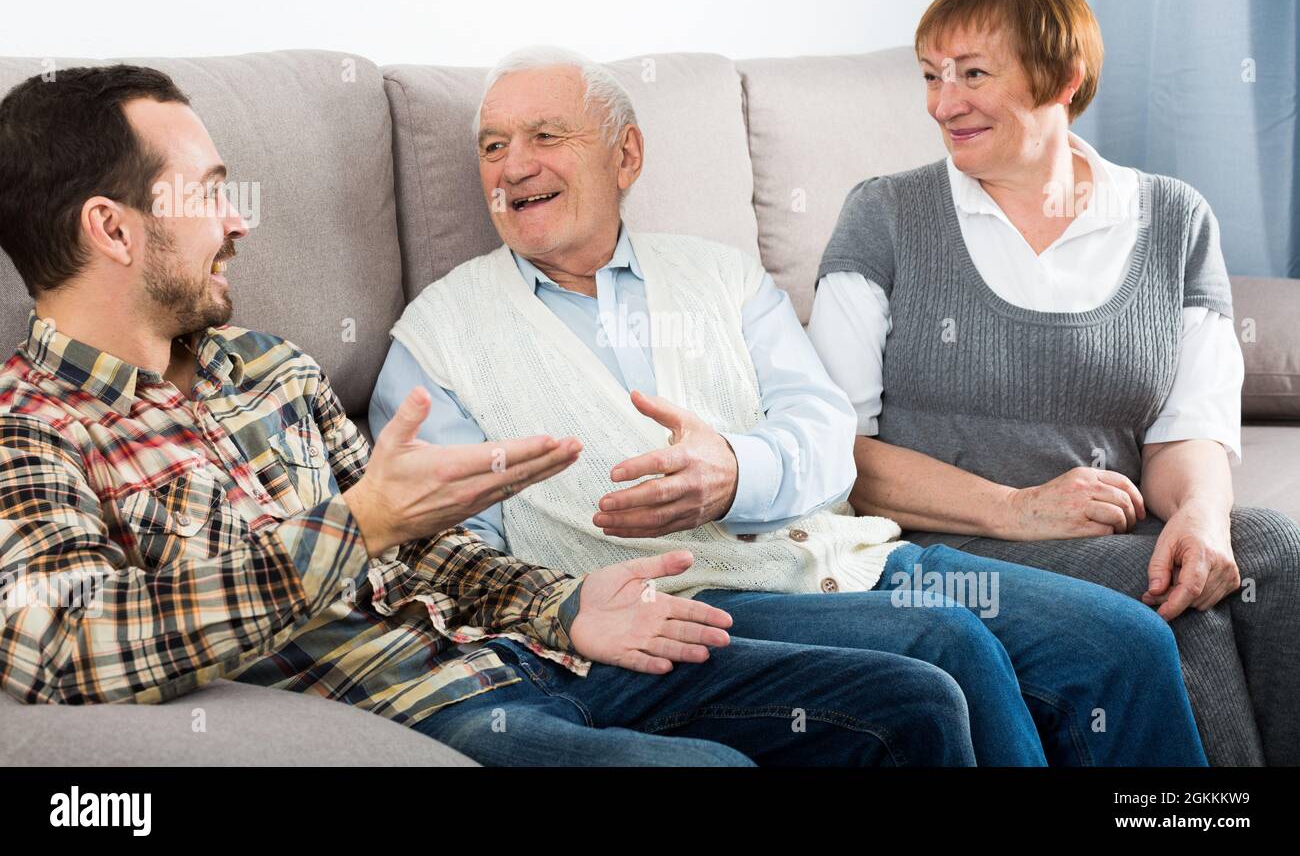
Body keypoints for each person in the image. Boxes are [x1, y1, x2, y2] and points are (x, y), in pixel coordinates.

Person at [0, 64, 982, 768]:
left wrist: (561, 604)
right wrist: (355, 527)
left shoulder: (268, 366)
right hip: (406, 702)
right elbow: (61, 644)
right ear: (113, 227)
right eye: (212, 193)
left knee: (913, 699)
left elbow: (422, 551)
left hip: (522, 652)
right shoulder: (32, 428)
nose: (241, 219)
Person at [371, 46, 1207, 766]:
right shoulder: (438, 337)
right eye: (493, 145)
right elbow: (441, 554)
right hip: (683, 603)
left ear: (625, 155)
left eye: (546, 136)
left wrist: (735, 473)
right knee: (949, 646)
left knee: (1122, 644)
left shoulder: (723, 275)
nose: (514, 165)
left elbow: (824, 435)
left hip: (861, 560)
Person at [810, 0, 1300, 766]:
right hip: (950, 536)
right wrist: (1019, 507)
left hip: (1108, 524)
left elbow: (1189, 430)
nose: (942, 103)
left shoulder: (1173, 218)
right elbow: (833, 453)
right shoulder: (887, 214)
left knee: (1271, 548)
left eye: (973, 74)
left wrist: (1200, 517)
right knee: (1175, 602)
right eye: (932, 76)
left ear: (1064, 78)